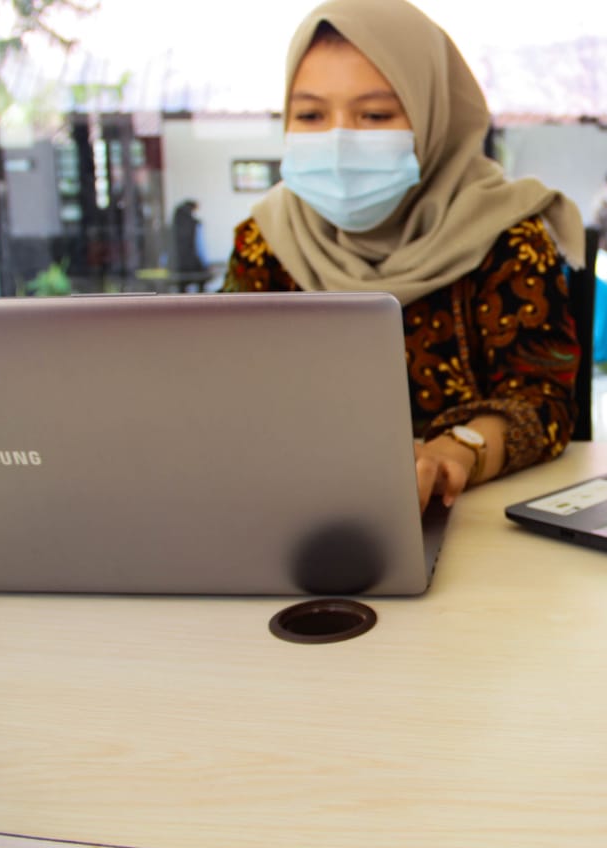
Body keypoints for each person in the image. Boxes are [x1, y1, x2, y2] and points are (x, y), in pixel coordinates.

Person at [220, 0, 585, 512]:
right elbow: (227, 390)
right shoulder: (265, 242)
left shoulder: (507, 236)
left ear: (432, 114)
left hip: (469, 515)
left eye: (374, 115)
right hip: (300, 509)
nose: (339, 141)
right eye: (310, 115)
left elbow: (543, 401)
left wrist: (456, 454)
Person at [171, 199, 210, 289]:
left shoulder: (173, 226)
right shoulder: (195, 224)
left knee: (181, 289)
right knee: (201, 286)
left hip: (179, 265)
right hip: (194, 264)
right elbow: (200, 247)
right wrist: (205, 264)